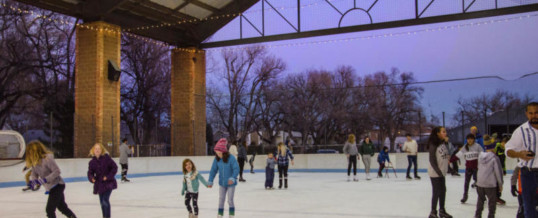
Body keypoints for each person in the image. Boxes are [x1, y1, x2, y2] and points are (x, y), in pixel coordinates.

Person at [25, 140, 77, 218]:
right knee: (62, 207)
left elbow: (57, 171)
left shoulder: (47, 159)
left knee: (49, 210)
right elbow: (34, 173)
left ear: (35, 151)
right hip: (51, 187)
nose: (28, 154)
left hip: (58, 185)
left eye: (29, 152)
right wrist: (34, 181)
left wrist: (45, 179)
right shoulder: (34, 162)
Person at [505, 102, 538, 218]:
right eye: (531, 113)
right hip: (527, 174)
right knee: (528, 208)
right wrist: (519, 154)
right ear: (526, 114)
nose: (534, 115)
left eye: (537, 112)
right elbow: (508, 150)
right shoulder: (521, 131)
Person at [208, 138, 239, 218]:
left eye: (219, 153)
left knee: (230, 200)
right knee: (221, 199)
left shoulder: (231, 158)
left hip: (231, 183)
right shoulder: (217, 159)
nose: (218, 154)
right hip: (222, 183)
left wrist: (233, 178)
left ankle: (231, 214)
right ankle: (220, 214)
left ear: (223, 151)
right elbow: (213, 170)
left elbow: (236, 168)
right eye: (216, 153)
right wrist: (210, 180)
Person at [87, 143, 118, 218]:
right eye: (96, 149)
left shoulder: (106, 158)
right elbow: (90, 172)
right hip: (99, 184)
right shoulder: (92, 162)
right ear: (93, 150)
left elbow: (115, 167)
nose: (97, 150)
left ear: (102, 150)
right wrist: (92, 178)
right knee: (102, 202)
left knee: (105, 200)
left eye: (99, 149)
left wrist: (108, 177)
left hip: (108, 183)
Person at [427, 126, 452, 218]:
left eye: (445, 131)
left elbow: (446, 154)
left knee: (443, 191)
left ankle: (442, 210)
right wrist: (439, 172)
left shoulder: (442, 143)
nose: (445, 133)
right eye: (443, 132)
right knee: (437, 191)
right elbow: (432, 160)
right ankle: (433, 212)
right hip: (435, 172)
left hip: (442, 172)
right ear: (438, 133)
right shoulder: (433, 144)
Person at [474, 145, 503, 218]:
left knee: (480, 201)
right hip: (490, 184)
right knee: (492, 202)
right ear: (493, 148)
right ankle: (491, 216)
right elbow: (498, 172)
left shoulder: (480, 157)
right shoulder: (495, 158)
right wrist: (500, 184)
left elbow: (478, 168)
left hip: (480, 183)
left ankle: (477, 216)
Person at [456, 134, 482, 203]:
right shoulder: (465, 147)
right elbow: (458, 155)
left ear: (473, 139)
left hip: (476, 168)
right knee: (466, 183)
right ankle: (465, 196)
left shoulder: (477, 146)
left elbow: (482, 155)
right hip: (468, 168)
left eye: (471, 139)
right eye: (468, 139)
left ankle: (481, 196)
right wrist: (450, 160)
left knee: (478, 183)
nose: (469, 140)